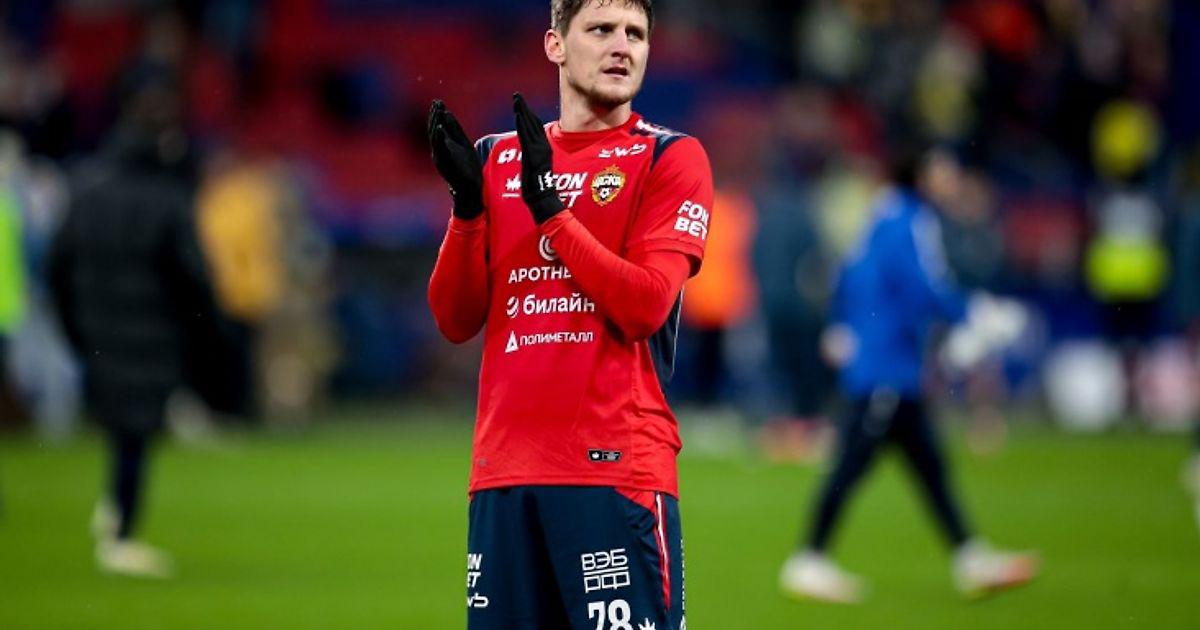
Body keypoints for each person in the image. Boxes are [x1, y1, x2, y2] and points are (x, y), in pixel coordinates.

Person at [426, 1, 712, 627]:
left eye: (636, 34)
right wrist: (467, 210)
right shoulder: (498, 158)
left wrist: (552, 212)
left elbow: (645, 305)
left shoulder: (670, 157)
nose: (622, 46)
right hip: (503, 472)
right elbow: (455, 318)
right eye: (601, 29)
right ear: (555, 45)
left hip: (613, 470)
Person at [778, 146, 1038, 603]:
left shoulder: (885, 214)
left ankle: (970, 558)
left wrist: (843, 324)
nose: (951, 178)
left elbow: (851, 276)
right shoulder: (909, 219)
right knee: (852, 466)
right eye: (943, 169)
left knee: (930, 469)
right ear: (919, 173)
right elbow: (920, 285)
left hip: (892, 367)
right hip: (886, 369)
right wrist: (972, 313)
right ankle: (809, 559)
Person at [47, 73, 223, 579]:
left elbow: (58, 265)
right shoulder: (166, 196)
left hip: (95, 332)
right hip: (152, 335)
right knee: (137, 433)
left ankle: (114, 515)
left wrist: (75, 327)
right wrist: (205, 333)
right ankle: (120, 533)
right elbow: (193, 276)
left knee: (122, 432)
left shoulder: (86, 188)